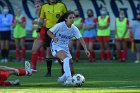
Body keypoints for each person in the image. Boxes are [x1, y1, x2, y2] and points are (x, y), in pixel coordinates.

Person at [47, 11, 90, 85]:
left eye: (73, 18)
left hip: (65, 47)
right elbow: (48, 32)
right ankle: (69, 79)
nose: (72, 19)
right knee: (66, 59)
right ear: (66, 19)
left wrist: (86, 49)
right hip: (56, 45)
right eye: (70, 18)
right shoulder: (60, 25)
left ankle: (61, 80)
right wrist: (53, 37)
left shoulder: (74, 28)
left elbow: (80, 38)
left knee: (72, 70)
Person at [37, 0, 67, 77]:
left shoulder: (62, 5)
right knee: (48, 50)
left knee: (61, 50)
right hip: (49, 31)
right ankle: (48, 72)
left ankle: (64, 70)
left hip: (60, 31)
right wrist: (38, 30)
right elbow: (41, 19)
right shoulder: (44, 6)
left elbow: (66, 17)